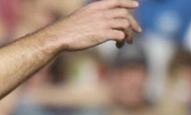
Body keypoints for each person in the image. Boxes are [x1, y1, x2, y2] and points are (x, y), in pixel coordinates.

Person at [0, 0, 141, 100]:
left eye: (57, 16)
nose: (51, 22)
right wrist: (55, 36)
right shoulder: (8, 41)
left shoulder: (70, 53)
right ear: (24, 7)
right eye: (48, 13)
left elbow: (102, 92)